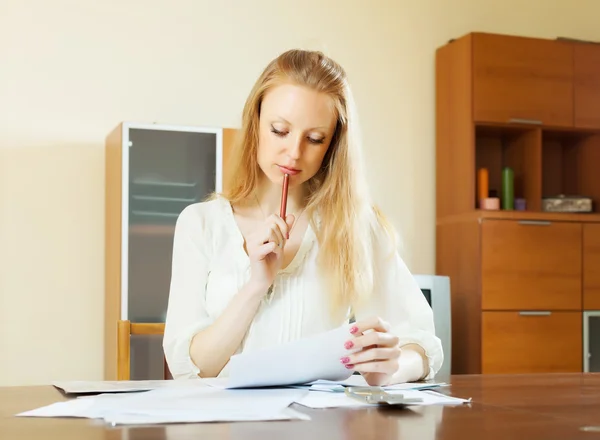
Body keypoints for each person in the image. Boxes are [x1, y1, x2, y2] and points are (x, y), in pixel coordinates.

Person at [162, 49, 443, 386]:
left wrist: (392, 366)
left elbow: (423, 344)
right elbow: (191, 369)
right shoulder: (201, 223)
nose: (294, 153)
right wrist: (256, 285)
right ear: (255, 124)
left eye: (314, 139)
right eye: (280, 130)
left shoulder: (355, 225)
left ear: (333, 144)